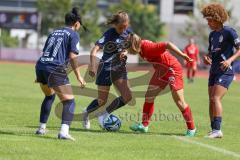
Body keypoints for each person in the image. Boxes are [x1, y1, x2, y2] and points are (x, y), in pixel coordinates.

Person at [128, 34, 196, 137]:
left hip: (171, 69)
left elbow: (167, 44)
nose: (127, 49)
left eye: (127, 46)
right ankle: (144, 125)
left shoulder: (148, 48)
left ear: (133, 45)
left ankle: (192, 128)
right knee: (149, 96)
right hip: (161, 71)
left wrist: (182, 55)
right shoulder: (140, 48)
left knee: (179, 101)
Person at [35, 7, 86, 140]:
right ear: (76, 23)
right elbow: (73, 57)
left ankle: (41, 128)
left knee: (49, 96)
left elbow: (46, 51)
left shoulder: (54, 32)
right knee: (70, 102)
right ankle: (63, 132)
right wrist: (79, 76)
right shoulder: (74, 34)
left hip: (41, 66)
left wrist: (41, 73)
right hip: (55, 69)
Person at [82, 11, 132, 129]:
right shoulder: (109, 33)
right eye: (120, 27)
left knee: (127, 97)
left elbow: (128, 48)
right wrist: (93, 66)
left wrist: (125, 52)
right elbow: (94, 49)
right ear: (115, 24)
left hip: (119, 69)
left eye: (125, 27)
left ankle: (104, 114)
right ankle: (86, 113)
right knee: (102, 101)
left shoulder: (129, 34)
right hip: (106, 69)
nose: (123, 30)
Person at [201, 3, 240, 138]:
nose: (208, 23)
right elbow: (211, 53)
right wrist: (207, 58)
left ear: (218, 18)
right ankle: (213, 130)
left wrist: (229, 60)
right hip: (213, 70)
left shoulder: (229, 32)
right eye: (207, 20)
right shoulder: (212, 35)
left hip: (225, 71)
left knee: (215, 97)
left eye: (210, 20)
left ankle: (218, 130)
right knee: (211, 100)